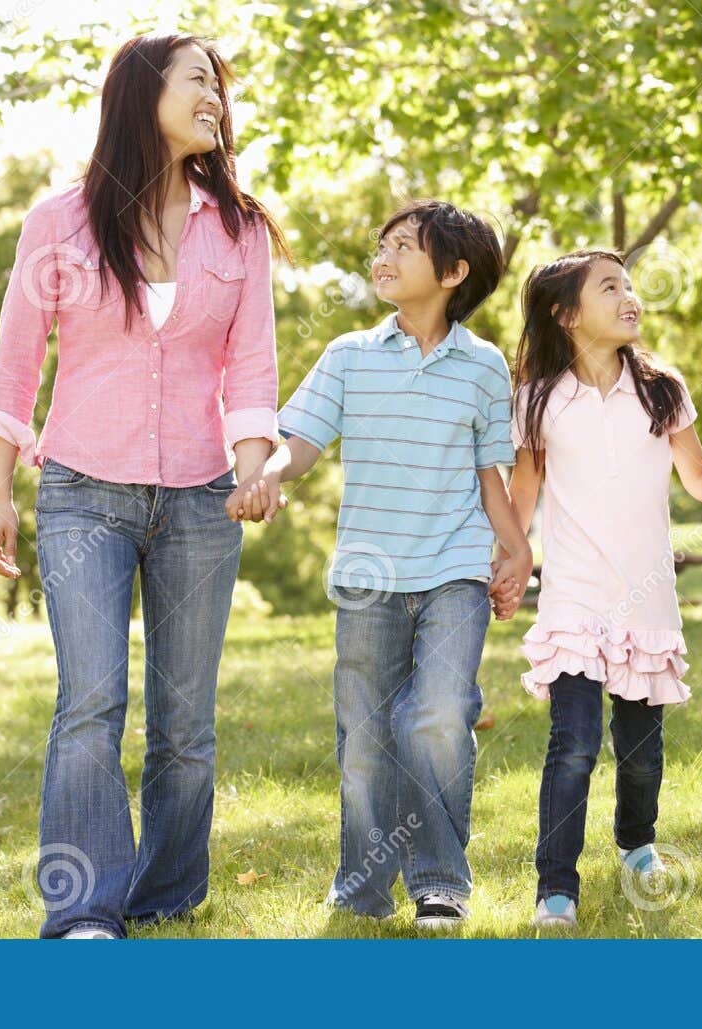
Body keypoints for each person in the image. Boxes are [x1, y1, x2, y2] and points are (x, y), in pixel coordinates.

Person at [0, 34, 285, 936]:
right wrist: (0, 493)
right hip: (81, 489)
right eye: (199, 82)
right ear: (143, 93)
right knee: (91, 701)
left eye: (219, 88)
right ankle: (85, 911)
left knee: (186, 724)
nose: (216, 100)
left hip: (200, 494)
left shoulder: (238, 229)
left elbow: (254, 365)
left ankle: (166, 896)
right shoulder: (60, 222)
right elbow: (15, 365)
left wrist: (257, 465)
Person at [241, 200, 533, 929]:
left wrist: (517, 547)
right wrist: (273, 472)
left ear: (454, 272)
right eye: (384, 244)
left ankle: (439, 879)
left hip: (455, 569)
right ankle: (362, 889)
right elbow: (301, 441)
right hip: (369, 576)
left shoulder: (484, 365)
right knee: (366, 742)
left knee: (436, 715)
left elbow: (491, 475)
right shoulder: (349, 355)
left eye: (405, 246)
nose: (385, 255)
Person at [499, 249, 702, 928]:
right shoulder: (537, 398)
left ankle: (636, 844)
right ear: (566, 313)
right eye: (611, 287)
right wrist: (511, 559)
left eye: (629, 285)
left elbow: (698, 477)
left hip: (645, 600)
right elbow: (524, 492)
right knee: (572, 742)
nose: (629, 296)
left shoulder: (662, 387)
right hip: (573, 596)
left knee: (639, 752)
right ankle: (556, 888)